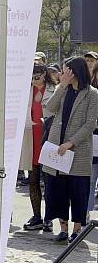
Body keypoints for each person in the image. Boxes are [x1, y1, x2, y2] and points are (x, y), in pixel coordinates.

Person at [42, 57, 98, 243]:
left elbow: (90, 124)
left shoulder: (92, 94)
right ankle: (63, 228)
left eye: (66, 70)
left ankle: (77, 230)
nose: (62, 73)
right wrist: (62, 86)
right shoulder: (63, 90)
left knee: (78, 190)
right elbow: (49, 108)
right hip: (57, 148)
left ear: (75, 71)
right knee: (57, 188)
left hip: (77, 150)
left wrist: (71, 143)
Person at [20, 64, 55, 231]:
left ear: (44, 74)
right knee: (33, 180)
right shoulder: (26, 91)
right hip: (31, 139)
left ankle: (49, 217)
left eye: (37, 75)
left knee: (49, 182)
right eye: (32, 76)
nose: (34, 79)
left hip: (48, 139)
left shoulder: (54, 90)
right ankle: (37, 216)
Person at [84, 52, 98, 216]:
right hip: (89, 136)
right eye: (87, 60)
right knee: (91, 178)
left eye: (92, 60)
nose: (89, 63)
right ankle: (85, 213)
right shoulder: (83, 81)